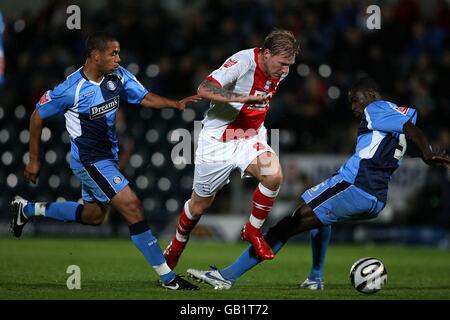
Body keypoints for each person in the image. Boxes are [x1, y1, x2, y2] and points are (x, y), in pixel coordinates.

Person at [186, 77, 450, 289]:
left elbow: (410, 129)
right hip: (373, 196)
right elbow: (410, 126)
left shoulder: (376, 108)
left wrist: (426, 153)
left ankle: (227, 276)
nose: (354, 107)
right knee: (317, 215)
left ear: (370, 94)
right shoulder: (394, 114)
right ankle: (314, 277)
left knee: (288, 224)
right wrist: (424, 149)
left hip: (355, 186)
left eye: (355, 100)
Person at [10, 32, 201, 290]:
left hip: (106, 158)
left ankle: (27, 209)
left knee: (93, 216)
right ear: (95, 55)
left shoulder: (118, 77)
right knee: (132, 206)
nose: (118, 58)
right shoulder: (70, 89)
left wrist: (175, 104)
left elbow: (144, 97)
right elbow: (36, 115)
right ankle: (169, 279)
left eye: (118, 53)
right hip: (90, 161)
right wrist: (33, 160)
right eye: (113, 53)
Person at [163, 29, 299, 269]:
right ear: (266, 54)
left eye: (290, 64)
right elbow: (204, 89)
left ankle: (253, 231)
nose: (286, 70)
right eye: (283, 63)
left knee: (273, 175)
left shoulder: (279, 70)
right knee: (199, 206)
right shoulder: (243, 62)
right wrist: (243, 98)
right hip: (217, 141)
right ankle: (177, 244)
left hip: (250, 136)